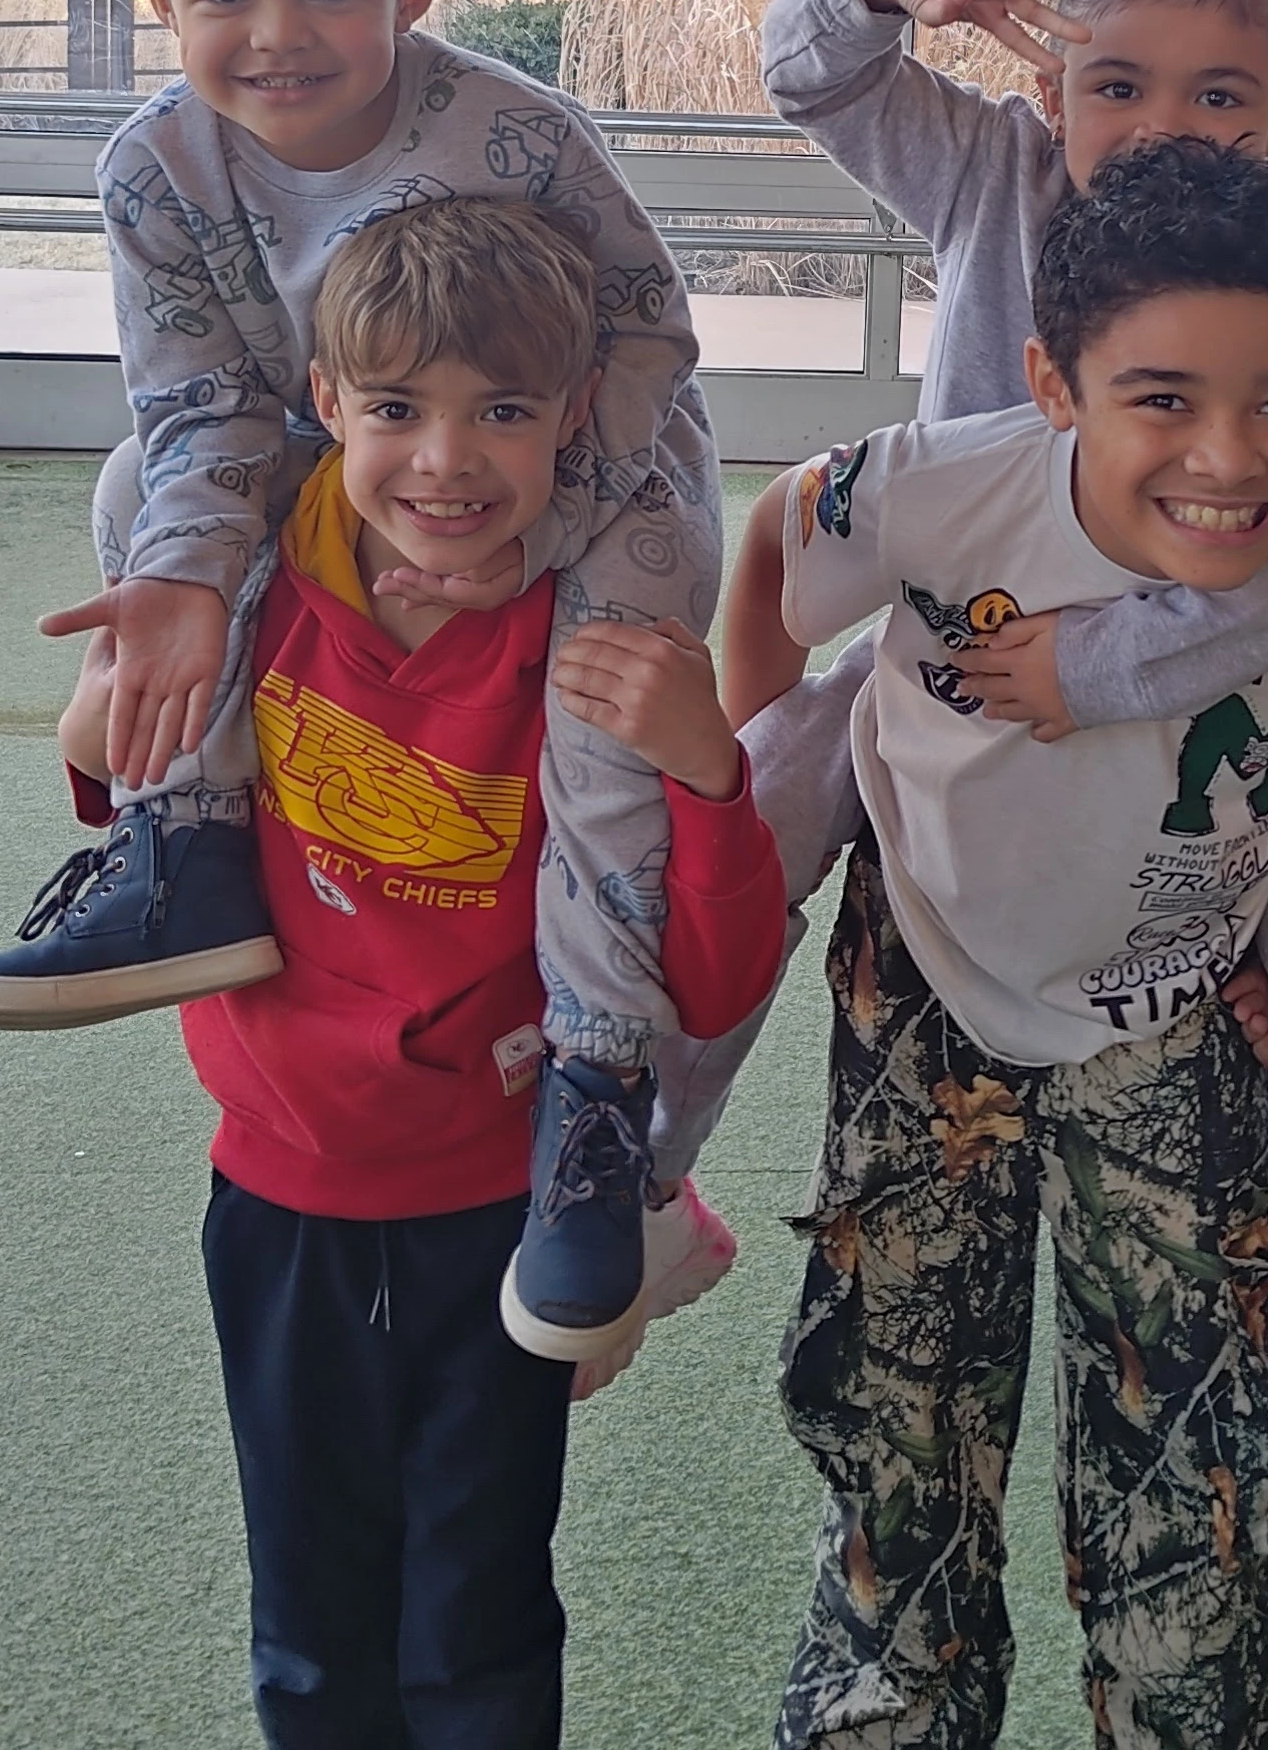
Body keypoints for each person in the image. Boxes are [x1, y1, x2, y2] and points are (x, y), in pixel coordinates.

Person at [644, 0, 1268, 1600]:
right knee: (743, 810)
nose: (1159, 133)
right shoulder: (991, 176)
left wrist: (1105, 671)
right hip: (952, 718)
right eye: (1116, 84)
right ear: (1050, 75)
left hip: (1188, 794)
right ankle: (641, 1184)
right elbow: (808, 72)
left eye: (1217, 98)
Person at [0, 0, 721, 1361]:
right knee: (133, 497)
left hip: (569, 459)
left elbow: (649, 336)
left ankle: (594, 1086)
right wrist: (182, 592)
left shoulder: (516, 138)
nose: (277, 32)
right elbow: (206, 404)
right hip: (330, 445)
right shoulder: (156, 169)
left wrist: (534, 527)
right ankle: (188, 843)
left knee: (605, 713)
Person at [733, 140, 1268, 1749]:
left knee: (1193, 1458)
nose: (1227, 455)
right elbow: (779, 544)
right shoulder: (944, 483)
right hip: (926, 991)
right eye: (1162, 398)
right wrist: (752, 745)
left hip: (1178, 1018)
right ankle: (883, 1702)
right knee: (896, 1415)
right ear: (1051, 385)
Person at [147, 198, 786, 1746]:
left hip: (499, 1215)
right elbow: (157, 831)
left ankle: (646, 1214)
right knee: (308, 1617)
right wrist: (103, 727)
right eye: (397, 410)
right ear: (325, 407)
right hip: (282, 1200)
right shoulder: (254, 599)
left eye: (501, 412)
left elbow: (711, 975)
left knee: (479, 1612)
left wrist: (709, 773)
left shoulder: (597, 635)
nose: (447, 461)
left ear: (572, 421)